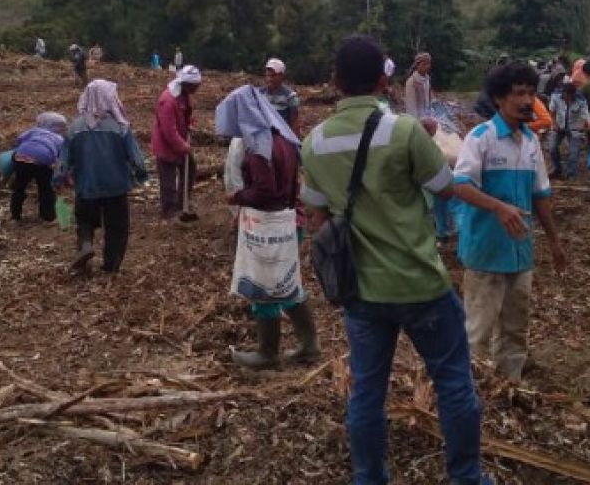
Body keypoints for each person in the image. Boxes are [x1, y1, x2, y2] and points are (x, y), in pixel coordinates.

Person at [301, 36, 488, 485]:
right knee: (454, 385)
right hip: (420, 284)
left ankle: (369, 477)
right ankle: (465, 477)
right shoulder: (404, 131)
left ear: (335, 80)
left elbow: (315, 214)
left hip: (361, 291)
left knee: (366, 392)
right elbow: (444, 186)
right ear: (384, 81)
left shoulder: (314, 143)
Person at [452, 61, 567, 381]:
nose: (528, 100)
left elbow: (540, 194)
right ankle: (470, 392)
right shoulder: (481, 138)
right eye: (519, 93)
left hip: (520, 251)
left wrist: (555, 242)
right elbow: (458, 185)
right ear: (500, 98)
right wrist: (499, 208)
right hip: (486, 251)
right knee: (478, 330)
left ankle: (510, 385)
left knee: (516, 327)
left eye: (531, 93)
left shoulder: (530, 142)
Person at [217, 84, 319, 369]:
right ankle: (309, 345)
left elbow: (266, 191)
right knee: (287, 282)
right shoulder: (281, 136)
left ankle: (268, 351)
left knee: (264, 287)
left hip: (268, 225)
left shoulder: (259, 145)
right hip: (289, 220)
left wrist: (236, 197)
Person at [68, 80, 148, 274]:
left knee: (84, 220)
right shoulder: (120, 127)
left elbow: (64, 158)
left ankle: (86, 245)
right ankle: (111, 266)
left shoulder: (75, 127)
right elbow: (135, 156)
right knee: (117, 227)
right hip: (116, 185)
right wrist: (141, 174)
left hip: (86, 184)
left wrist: (59, 178)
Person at [152, 65, 201, 221]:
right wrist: (183, 146)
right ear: (187, 84)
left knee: (190, 169)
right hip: (166, 145)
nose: (197, 88)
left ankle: (183, 203)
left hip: (180, 142)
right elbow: (168, 131)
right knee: (168, 181)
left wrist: (190, 123)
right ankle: (169, 211)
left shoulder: (185, 95)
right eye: (196, 86)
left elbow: (185, 115)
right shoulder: (167, 100)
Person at [9, 112, 67, 223]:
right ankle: (48, 216)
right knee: (46, 188)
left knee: (19, 188)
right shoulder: (59, 138)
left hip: (21, 158)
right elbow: (61, 157)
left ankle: (15, 216)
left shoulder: (33, 131)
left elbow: (19, 139)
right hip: (42, 162)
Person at [549, 82, 590, 180]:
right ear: (563, 93)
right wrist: (554, 123)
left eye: (570, 96)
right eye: (566, 95)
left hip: (574, 127)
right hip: (559, 125)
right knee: (552, 148)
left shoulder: (581, 101)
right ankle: (557, 169)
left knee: (574, 153)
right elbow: (552, 111)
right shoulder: (555, 97)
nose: (568, 98)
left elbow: (585, 116)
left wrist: (582, 125)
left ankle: (571, 173)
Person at [262, 57, 302, 135]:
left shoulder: (290, 96)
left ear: (281, 75)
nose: (270, 79)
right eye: (268, 75)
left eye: (273, 76)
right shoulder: (260, 93)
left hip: (281, 134)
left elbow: (294, 122)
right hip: (264, 133)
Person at [404, 52, 433, 119]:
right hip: (417, 119)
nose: (427, 66)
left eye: (428, 64)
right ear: (417, 65)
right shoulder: (411, 82)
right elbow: (410, 105)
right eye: (424, 64)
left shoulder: (427, 79)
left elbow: (428, 98)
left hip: (426, 115)